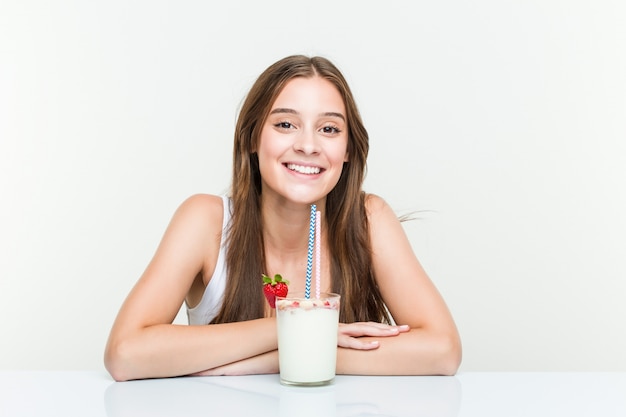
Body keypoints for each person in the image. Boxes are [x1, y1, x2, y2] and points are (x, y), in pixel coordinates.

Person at [104, 55, 461, 381]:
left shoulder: (370, 220)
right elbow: (125, 355)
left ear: (348, 149)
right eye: (286, 124)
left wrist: (286, 356)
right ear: (252, 138)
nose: (308, 145)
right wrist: (289, 331)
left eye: (329, 129)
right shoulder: (206, 221)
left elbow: (443, 351)